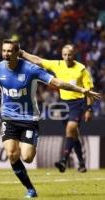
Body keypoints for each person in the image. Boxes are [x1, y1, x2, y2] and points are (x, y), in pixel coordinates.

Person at [0, 39, 100, 198]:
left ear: (17, 52)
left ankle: (32, 169)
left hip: (29, 118)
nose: (6, 54)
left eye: (10, 51)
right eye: (4, 51)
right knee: (11, 154)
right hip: (8, 118)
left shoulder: (31, 69)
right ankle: (30, 189)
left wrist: (82, 90)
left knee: (27, 157)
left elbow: (58, 82)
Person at [20, 44, 94, 173]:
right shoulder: (57, 64)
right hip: (64, 104)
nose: (67, 57)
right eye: (64, 54)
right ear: (62, 55)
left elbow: (89, 91)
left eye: (69, 54)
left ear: (74, 54)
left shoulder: (81, 69)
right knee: (73, 134)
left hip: (78, 103)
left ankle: (63, 161)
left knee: (70, 128)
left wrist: (89, 109)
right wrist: (22, 53)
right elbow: (38, 60)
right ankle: (81, 163)